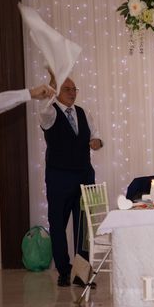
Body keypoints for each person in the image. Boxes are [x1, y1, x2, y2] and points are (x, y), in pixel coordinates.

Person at [40, 77, 103, 287]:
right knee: (58, 224)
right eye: (66, 89)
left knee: (84, 225)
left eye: (74, 89)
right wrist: (51, 85)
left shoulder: (84, 112)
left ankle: (81, 272)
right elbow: (44, 114)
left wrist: (96, 142)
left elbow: (96, 136)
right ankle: (64, 271)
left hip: (85, 175)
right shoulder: (49, 113)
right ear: (56, 91)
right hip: (59, 176)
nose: (72, 93)